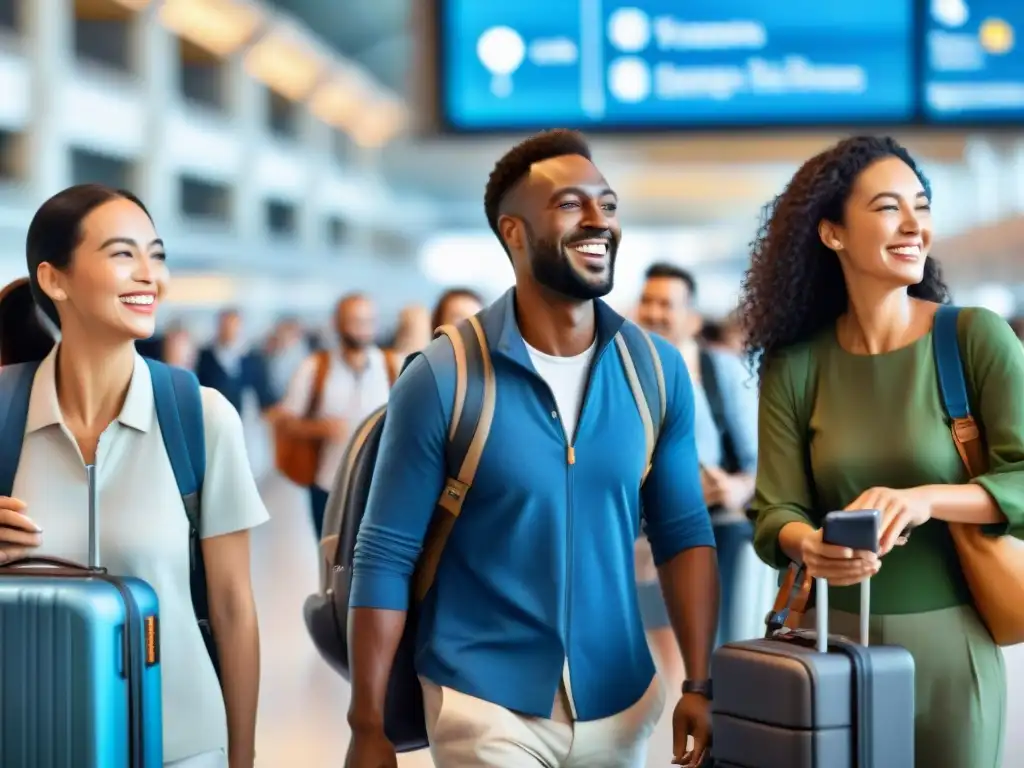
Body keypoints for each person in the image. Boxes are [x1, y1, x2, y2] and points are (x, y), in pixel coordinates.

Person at [345, 129, 718, 768]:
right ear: (514, 233)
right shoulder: (443, 377)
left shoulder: (654, 372)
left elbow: (683, 534)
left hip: (620, 699)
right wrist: (367, 724)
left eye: (608, 203)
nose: (599, 220)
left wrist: (700, 681)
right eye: (571, 205)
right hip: (483, 700)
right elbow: (384, 555)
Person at [740, 136, 1023, 768]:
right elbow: (774, 510)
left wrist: (926, 499)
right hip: (830, 647)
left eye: (921, 206)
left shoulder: (973, 338)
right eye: (888, 207)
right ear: (833, 233)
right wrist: (806, 544)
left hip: (953, 650)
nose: (913, 224)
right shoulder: (795, 365)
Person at [0, 184, 267, 768]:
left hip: (182, 745)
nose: (150, 274)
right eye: (123, 254)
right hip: (30, 741)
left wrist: (241, 758)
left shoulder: (202, 418)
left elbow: (232, 609)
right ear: (54, 279)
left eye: (158, 254)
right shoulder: (2, 417)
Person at [637, 263, 759, 654]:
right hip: (641, 533)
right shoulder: (619, 369)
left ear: (690, 318)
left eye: (665, 304)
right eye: (647, 301)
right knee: (649, 650)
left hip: (712, 531)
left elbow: (759, 459)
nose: (654, 313)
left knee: (708, 646)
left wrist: (737, 487)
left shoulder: (719, 369)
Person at [277, 293, 392, 538]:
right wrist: (318, 428)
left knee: (370, 561)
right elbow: (284, 422)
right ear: (337, 323)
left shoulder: (393, 366)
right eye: (354, 321)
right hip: (328, 484)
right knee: (333, 561)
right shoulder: (315, 367)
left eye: (368, 321)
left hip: (380, 486)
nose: (362, 328)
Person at [195, 309, 276, 416]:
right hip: (214, 415)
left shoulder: (254, 359)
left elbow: (263, 393)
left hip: (247, 418)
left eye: (234, 326)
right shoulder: (204, 357)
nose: (230, 330)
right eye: (226, 326)